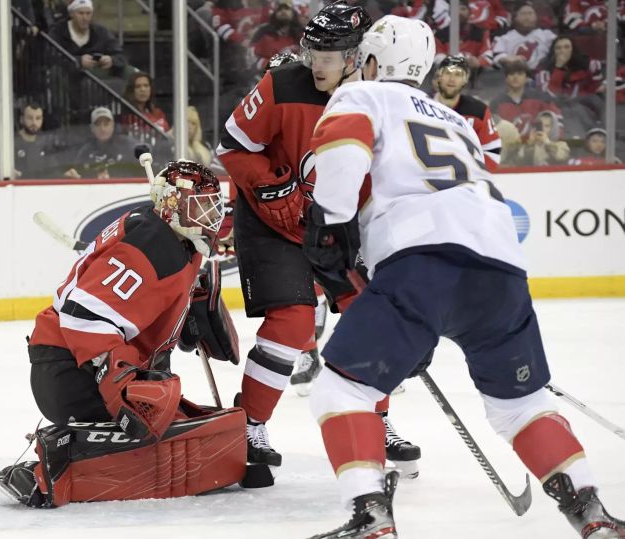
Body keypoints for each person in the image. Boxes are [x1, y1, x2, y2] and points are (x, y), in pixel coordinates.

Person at [302, 15, 625, 538]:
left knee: (342, 390)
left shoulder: (361, 97)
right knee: (521, 405)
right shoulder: (456, 122)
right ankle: (593, 515)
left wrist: (327, 228)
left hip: (421, 258)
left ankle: (370, 519)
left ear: (372, 61)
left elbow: (342, 172)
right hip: (501, 267)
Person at [216, 2, 420, 478]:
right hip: (273, 223)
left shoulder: (381, 99)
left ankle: (377, 419)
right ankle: (249, 424)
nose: (317, 64)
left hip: (340, 226)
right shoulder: (283, 84)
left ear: (357, 57)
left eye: (331, 55)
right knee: (292, 324)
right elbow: (233, 146)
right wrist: (270, 187)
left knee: (373, 319)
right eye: (313, 52)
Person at [0, 161, 248, 508]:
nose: (210, 217)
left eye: (211, 206)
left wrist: (182, 311)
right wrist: (122, 388)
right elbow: (85, 318)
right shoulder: (154, 247)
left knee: (184, 416)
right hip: (73, 374)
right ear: (172, 206)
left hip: (72, 366)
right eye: (199, 206)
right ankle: (55, 466)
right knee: (156, 412)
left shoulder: (170, 238)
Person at [433, 54, 502, 169]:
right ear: (439, 77)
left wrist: (475, 175)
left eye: (458, 74)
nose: (452, 79)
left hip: (466, 181)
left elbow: (492, 151)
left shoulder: (478, 111)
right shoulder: (420, 106)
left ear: (465, 80)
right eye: (447, 73)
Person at [47, 0, 128, 78]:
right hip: (66, 76)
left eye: (88, 13)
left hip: (96, 77)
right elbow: (51, 57)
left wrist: (112, 60)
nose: (85, 18)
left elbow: (120, 54)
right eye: (81, 13)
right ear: (72, 14)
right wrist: (78, 61)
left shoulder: (101, 32)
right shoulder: (58, 31)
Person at [490, 58, 562, 138]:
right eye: (511, 74)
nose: (515, 77)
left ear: (527, 78)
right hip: (509, 147)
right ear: (506, 78)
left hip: (537, 145)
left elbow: (556, 121)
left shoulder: (540, 97)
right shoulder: (496, 102)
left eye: (520, 73)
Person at [66, 107, 142, 179]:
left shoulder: (128, 145)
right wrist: (72, 175)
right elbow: (76, 173)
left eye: (106, 124)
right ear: (92, 128)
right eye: (98, 125)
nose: (102, 129)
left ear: (113, 126)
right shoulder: (85, 151)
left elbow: (138, 171)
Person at [492, 2, 556, 72]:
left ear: (536, 17)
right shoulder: (505, 38)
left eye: (530, 13)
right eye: (523, 14)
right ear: (515, 18)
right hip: (514, 75)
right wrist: (506, 59)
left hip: (541, 75)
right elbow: (497, 57)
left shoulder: (547, 35)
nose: (527, 17)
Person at [249, 1, 304, 71]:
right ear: (275, 13)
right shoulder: (263, 32)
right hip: (268, 76)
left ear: (293, 12)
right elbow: (251, 57)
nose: (283, 11)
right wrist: (276, 64)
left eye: (287, 9)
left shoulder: (302, 34)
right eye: (279, 9)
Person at [14, 102, 61, 179]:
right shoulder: (12, 142)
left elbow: (54, 172)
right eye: (30, 118)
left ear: (42, 120)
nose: (34, 123)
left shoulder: (46, 143)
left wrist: (66, 176)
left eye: (38, 118)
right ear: (21, 119)